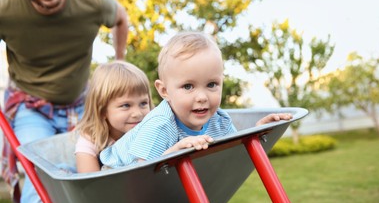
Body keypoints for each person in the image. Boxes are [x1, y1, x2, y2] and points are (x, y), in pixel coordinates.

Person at [0, 0, 128, 203]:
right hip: (30, 105)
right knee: (41, 172)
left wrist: (120, 61)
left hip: (81, 103)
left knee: (89, 165)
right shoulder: (5, 10)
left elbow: (120, 18)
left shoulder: (88, 2)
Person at [100, 31, 292, 168]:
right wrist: (174, 153)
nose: (202, 97)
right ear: (164, 91)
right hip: (117, 175)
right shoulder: (160, 124)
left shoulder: (220, 121)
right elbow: (140, 175)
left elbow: (233, 156)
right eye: (188, 86)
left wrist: (257, 130)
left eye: (211, 85)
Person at [74, 61, 153, 173]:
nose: (138, 113)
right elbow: (90, 184)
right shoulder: (91, 140)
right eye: (126, 105)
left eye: (143, 103)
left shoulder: (151, 130)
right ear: (102, 111)